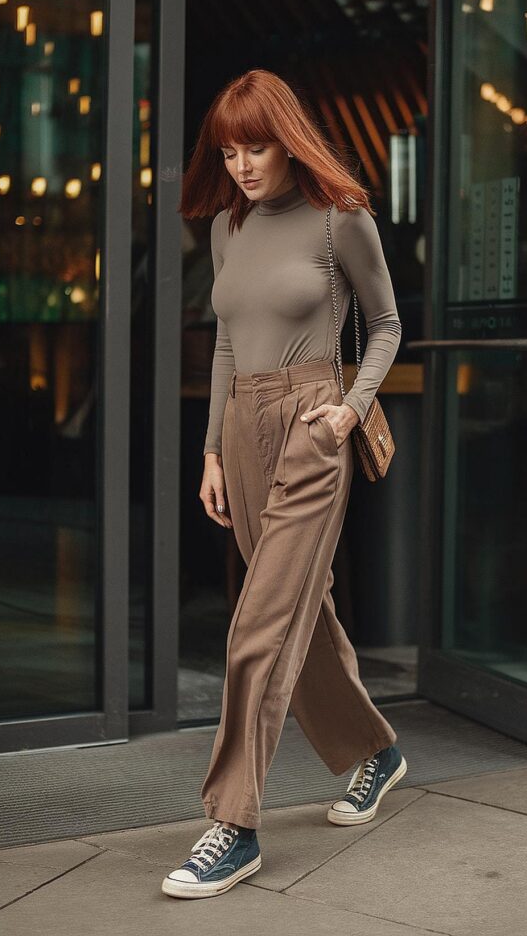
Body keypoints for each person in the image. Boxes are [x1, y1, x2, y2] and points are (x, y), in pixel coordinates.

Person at [163, 68, 406, 900]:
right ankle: (377, 752)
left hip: (310, 427)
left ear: (287, 137)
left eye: (254, 146)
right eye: (227, 152)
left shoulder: (342, 219)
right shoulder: (228, 229)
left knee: (257, 628)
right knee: (302, 606)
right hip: (241, 427)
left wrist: (346, 412)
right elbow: (228, 345)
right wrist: (211, 453)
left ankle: (233, 825)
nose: (240, 166)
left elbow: (385, 324)